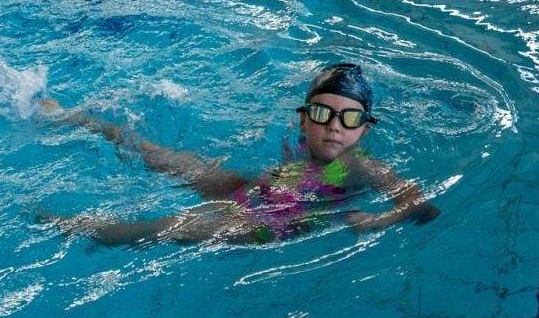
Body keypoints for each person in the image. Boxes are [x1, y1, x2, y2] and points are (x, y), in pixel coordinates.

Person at [36, 63, 440, 246]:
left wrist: (378, 220)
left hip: (271, 223)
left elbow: (422, 207)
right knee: (160, 155)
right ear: (303, 120)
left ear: (365, 128)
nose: (334, 125)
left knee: (169, 226)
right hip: (255, 189)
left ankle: (75, 226)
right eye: (323, 113)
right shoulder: (301, 144)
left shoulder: (362, 166)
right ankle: (76, 120)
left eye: (349, 118)